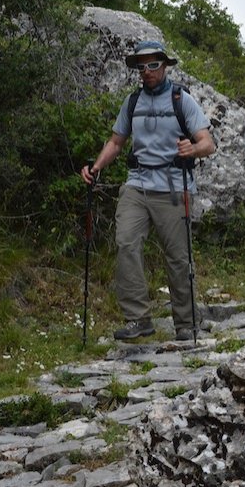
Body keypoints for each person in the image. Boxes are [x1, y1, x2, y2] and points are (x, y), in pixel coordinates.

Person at [81, 40, 216, 341]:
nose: (147, 72)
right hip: (137, 184)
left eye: (153, 65)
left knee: (178, 257)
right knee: (126, 242)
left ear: (165, 66)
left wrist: (191, 149)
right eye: (141, 67)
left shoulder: (182, 99)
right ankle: (138, 318)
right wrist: (96, 167)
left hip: (172, 185)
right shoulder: (132, 102)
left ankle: (186, 322)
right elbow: (116, 142)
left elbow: (208, 143)